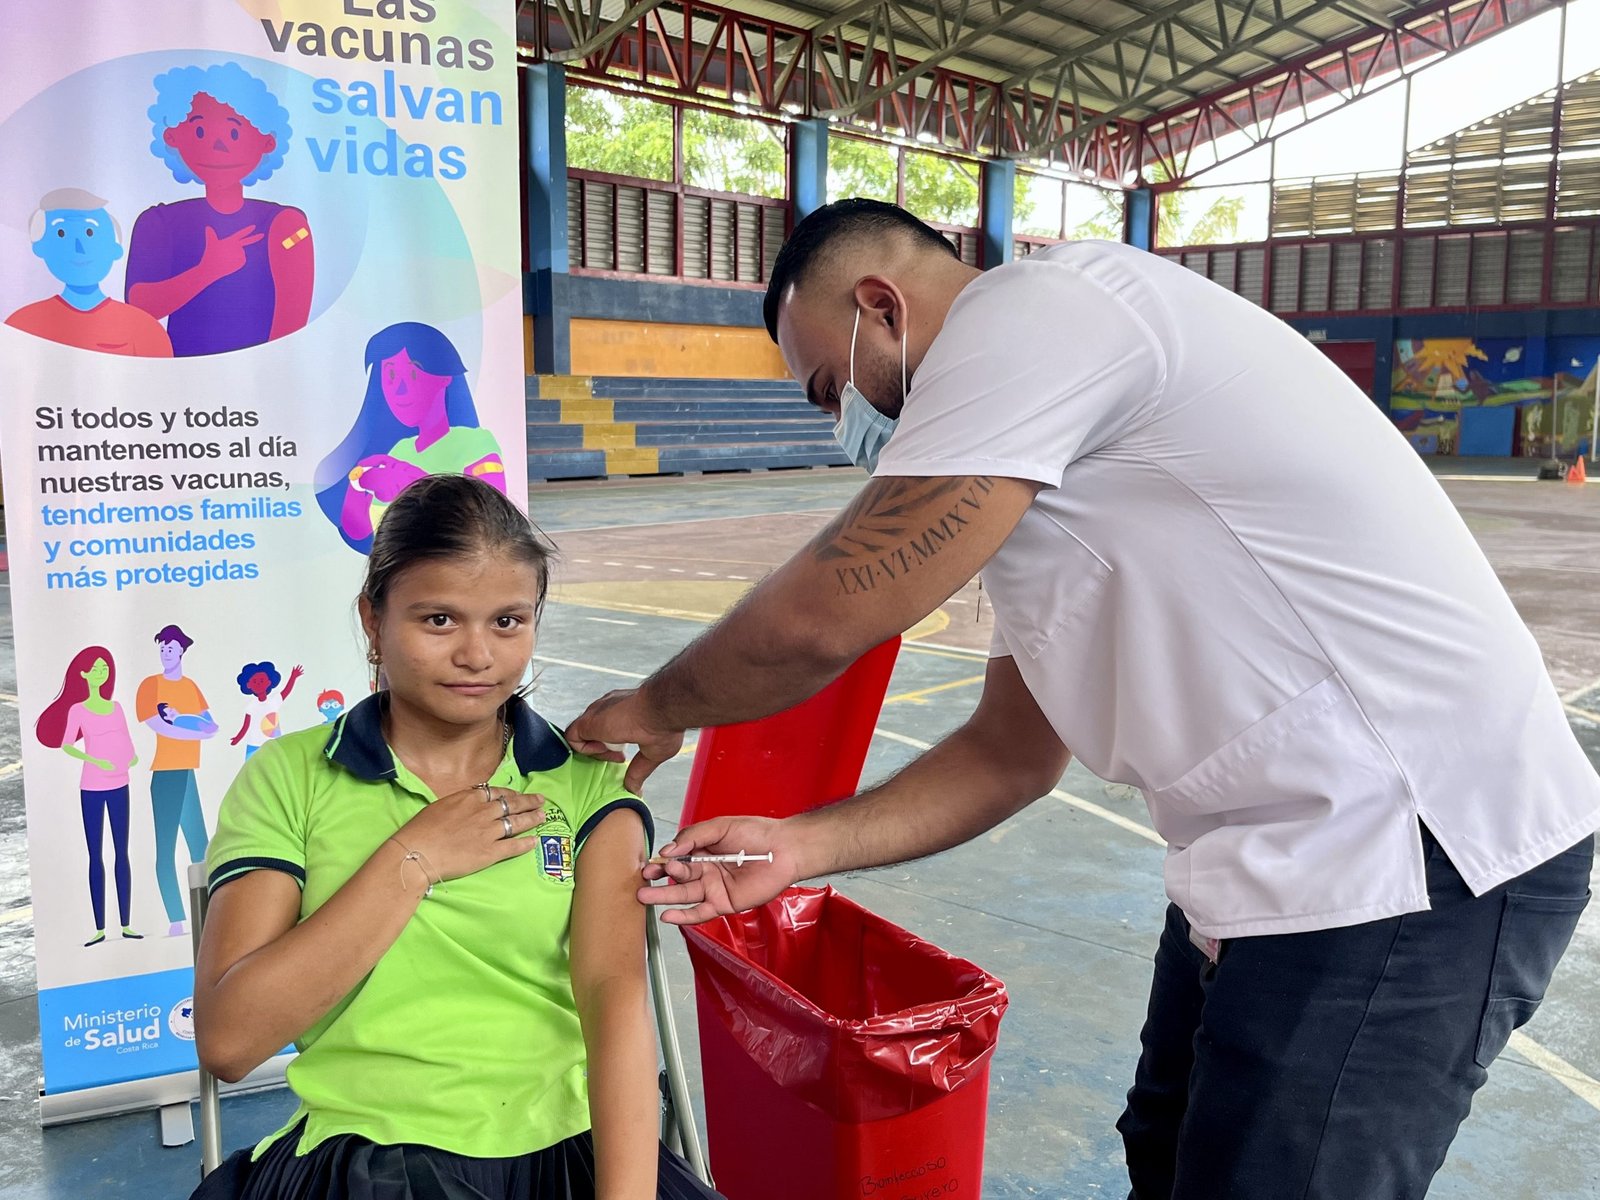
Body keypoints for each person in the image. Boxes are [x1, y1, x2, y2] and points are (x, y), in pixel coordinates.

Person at [568, 199, 1600, 1200]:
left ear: (880, 304)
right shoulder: (1032, 482)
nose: (846, 420)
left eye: (833, 384)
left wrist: (654, 706)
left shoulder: (1041, 313)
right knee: (1169, 1155)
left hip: (1415, 847)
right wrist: (796, 850)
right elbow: (1010, 754)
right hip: (1266, 861)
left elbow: (825, 617)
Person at [190, 474, 720, 1200]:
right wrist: (413, 862)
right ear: (373, 622)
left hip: (565, 1159)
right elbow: (229, 1041)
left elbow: (614, 998)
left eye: (508, 621)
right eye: (439, 620)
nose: (478, 655)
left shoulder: (586, 785)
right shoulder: (291, 777)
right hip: (362, 1159)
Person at [126, 63, 313, 356]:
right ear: (173, 137)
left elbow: (291, 330)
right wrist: (207, 271)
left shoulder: (288, 226)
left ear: (266, 141)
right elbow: (138, 307)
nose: (218, 146)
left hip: (258, 385)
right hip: (179, 388)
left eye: (234, 133)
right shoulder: (158, 223)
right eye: (200, 130)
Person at [314, 322, 508, 554]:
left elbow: (493, 526)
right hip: (399, 577)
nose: (400, 389)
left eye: (414, 372)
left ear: (445, 376)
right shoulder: (398, 451)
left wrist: (415, 484)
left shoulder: (477, 444)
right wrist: (358, 488)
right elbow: (361, 533)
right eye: (391, 375)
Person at [35, 647, 143, 946]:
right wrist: (96, 761)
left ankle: (126, 923)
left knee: (122, 852)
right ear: (83, 674)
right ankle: (99, 927)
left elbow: (125, 737)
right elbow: (68, 745)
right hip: (92, 787)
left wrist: (131, 757)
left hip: (121, 783)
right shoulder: (78, 710)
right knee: (96, 854)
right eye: (95, 668)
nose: (101, 672)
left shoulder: (116, 707)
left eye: (104, 667)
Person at [6, 188, 173, 356]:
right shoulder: (21, 325)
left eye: (90, 232)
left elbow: (161, 379)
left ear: (115, 248)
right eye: (61, 233)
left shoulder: (144, 328)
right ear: (40, 247)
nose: (79, 248)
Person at [136, 623, 218, 937]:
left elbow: (211, 727)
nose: (165, 652)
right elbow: (161, 726)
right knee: (166, 847)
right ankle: (176, 919)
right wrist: (191, 726)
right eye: (162, 647)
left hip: (187, 772)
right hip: (166, 775)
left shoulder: (190, 687)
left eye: (171, 648)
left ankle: (210, 914)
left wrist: (183, 719)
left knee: (202, 846)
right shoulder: (150, 686)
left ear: (182, 651)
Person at [229, 660, 304, 758]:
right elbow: (246, 726)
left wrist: (293, 677)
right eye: (255, 682)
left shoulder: (274, 701)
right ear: (248, 685)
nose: (259, 684)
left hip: (273, 743)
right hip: (254, 744)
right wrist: (237, 738)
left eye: (261, 680)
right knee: (250, 768)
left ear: (269, 682)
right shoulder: (251, 706)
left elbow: (286, 691)